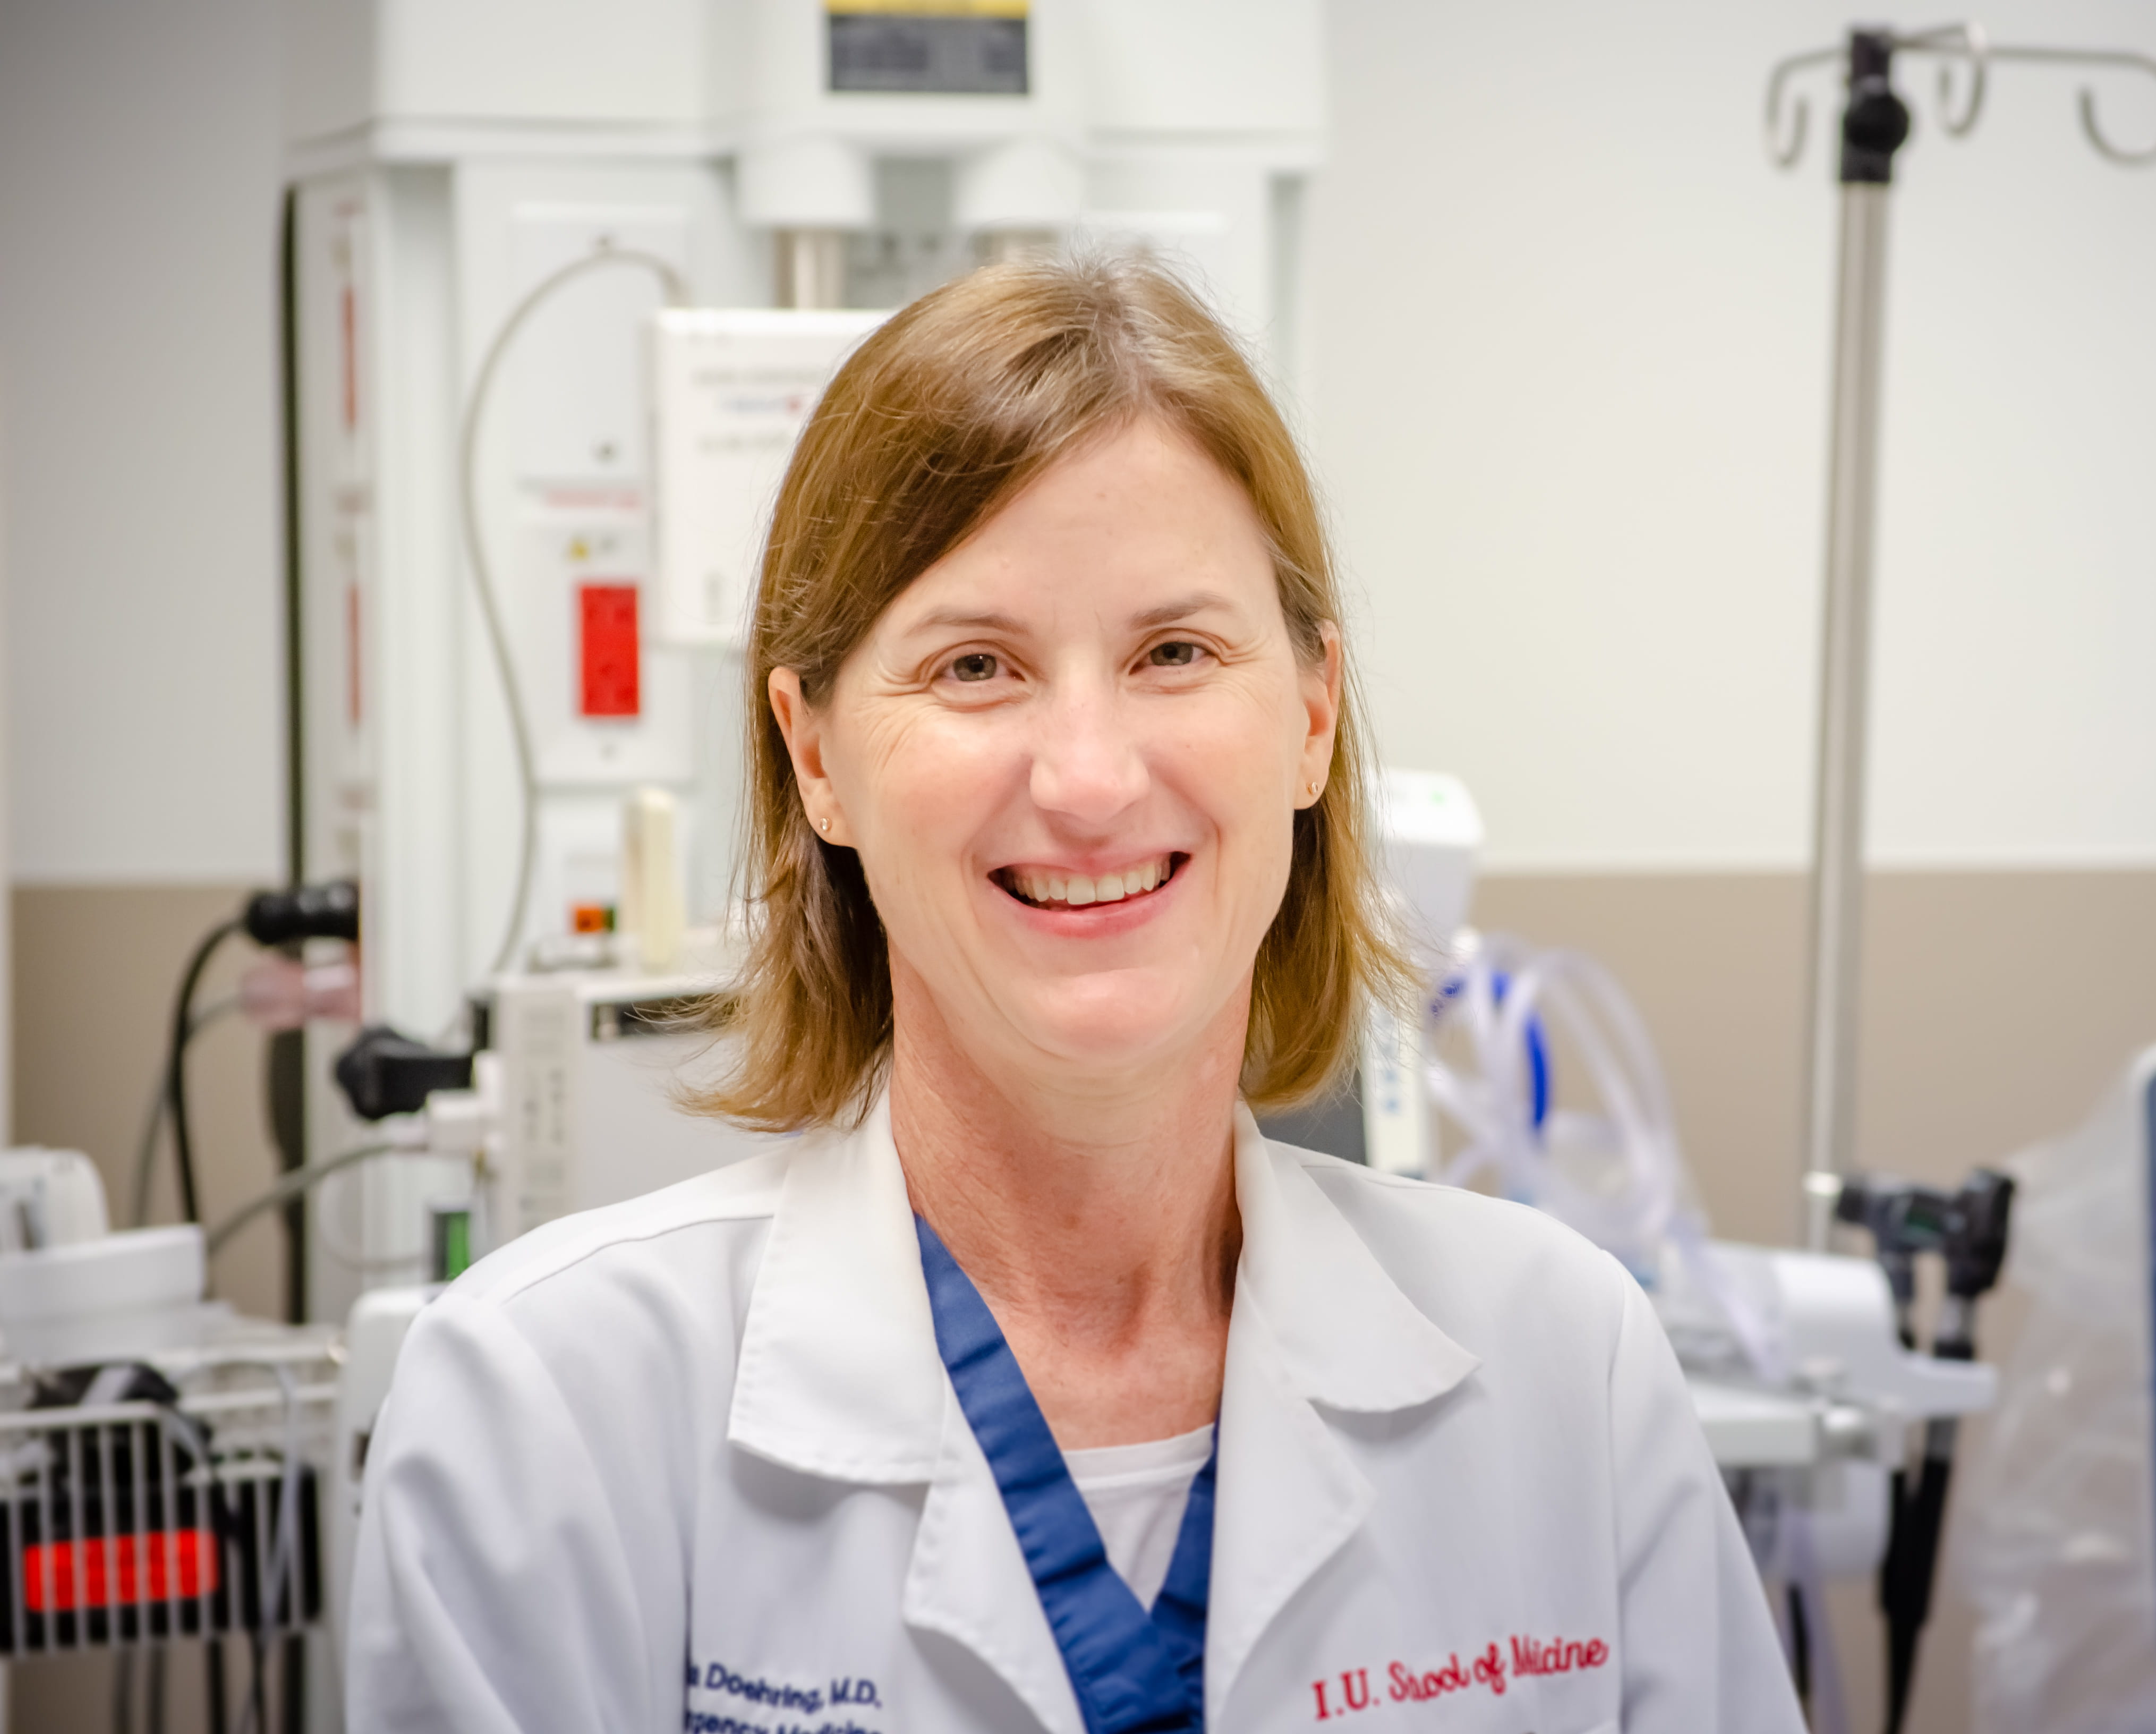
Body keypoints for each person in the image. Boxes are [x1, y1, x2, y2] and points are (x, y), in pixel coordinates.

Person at [347, 252, 1801, 1734]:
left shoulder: (1565, 1367)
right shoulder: (546, 1407)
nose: (1092, 779)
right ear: (818, 756)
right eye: (976, 666)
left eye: (1176, 651)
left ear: (1309, 717)